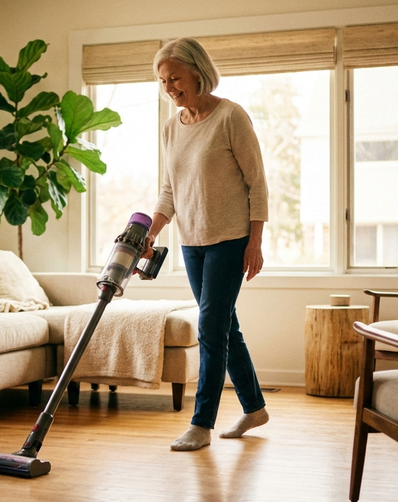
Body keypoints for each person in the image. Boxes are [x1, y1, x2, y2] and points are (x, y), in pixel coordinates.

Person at [143, 37, 270, 451]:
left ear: (198, 71)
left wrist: (256, 242)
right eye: (163, 81)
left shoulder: (231, 117)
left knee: (210, 328)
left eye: (175, 78)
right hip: (192, 242)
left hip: (231, 240)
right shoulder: (170, 128)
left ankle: (201, 423)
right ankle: (254, 407)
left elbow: (257, 184)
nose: (170, 88)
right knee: (224, 324)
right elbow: (169, 191)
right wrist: (152, 231)